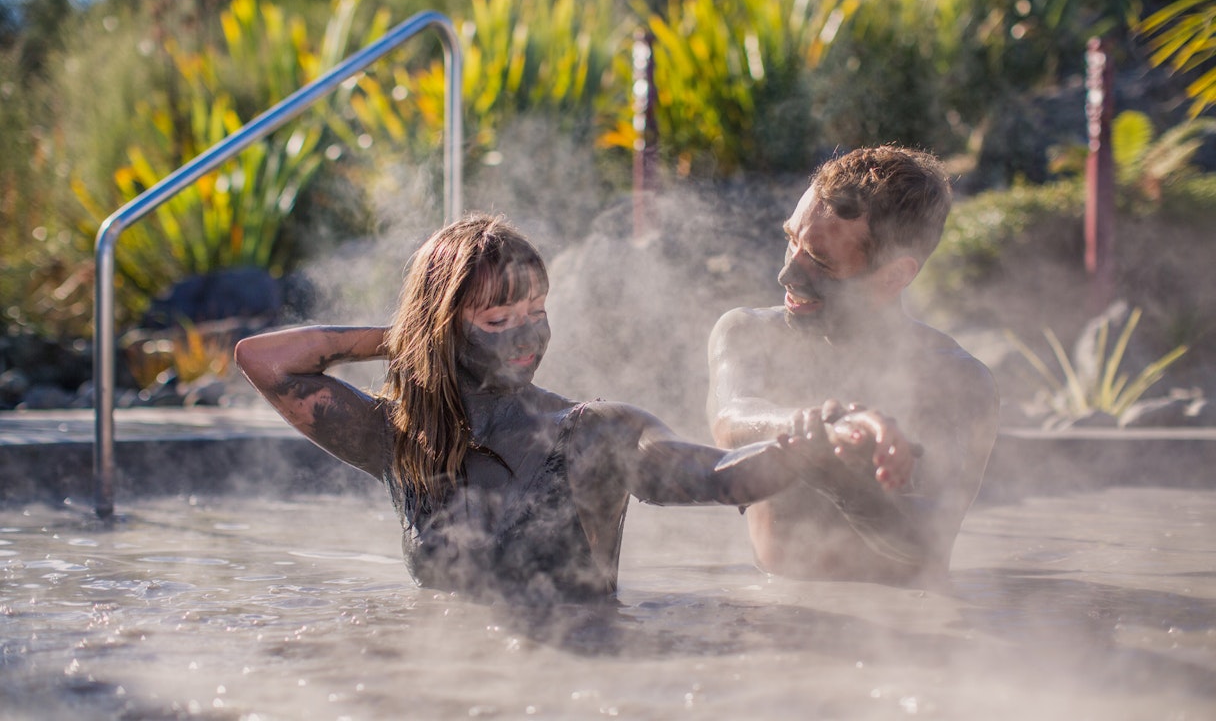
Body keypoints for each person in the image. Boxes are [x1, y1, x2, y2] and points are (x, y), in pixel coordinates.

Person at [234, 214, 916, 602]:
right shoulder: (402, 440)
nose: (529, 334)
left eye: (536, 310)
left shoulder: (589, 432)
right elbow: (263, 359)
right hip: (452, 693)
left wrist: (808, 441)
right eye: (499, 317)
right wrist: (415, 338)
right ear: (442, 325)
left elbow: (721, 477)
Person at [707, 145, 1000, 587]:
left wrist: (847, 484)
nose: (788, 276)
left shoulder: (955, 380)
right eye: (792, 241)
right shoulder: (748, 333)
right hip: (774, 610)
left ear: (896, 275)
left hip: (906, 631)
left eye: (821, 261)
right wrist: (821, 429)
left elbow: (926, 542)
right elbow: (732, 418)